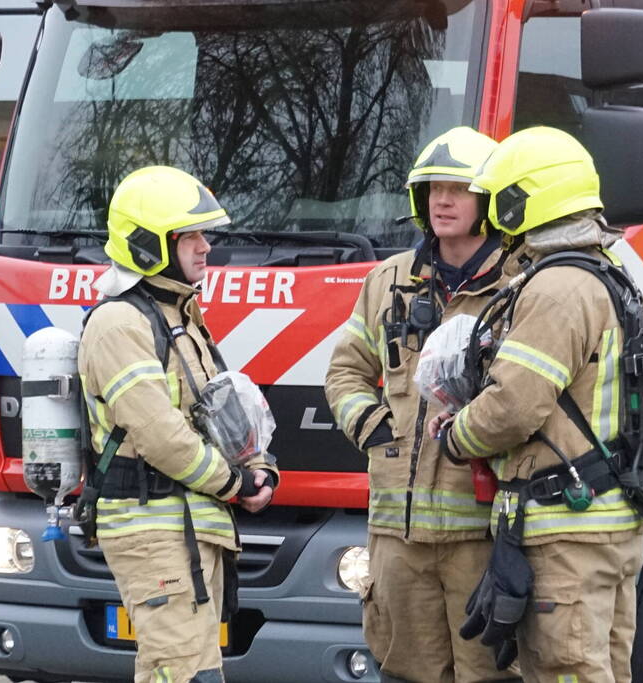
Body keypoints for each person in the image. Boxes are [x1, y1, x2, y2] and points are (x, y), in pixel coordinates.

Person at [429, 126, 643, 683]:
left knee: (565, 668)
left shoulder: (557, 289)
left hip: (566, 531)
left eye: (501, 200)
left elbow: (514, 406)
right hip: (607, 521)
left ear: (524, 199)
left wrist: (455, 436)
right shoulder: (608, 274)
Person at [325, 126, 520, 683]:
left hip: (480, 538)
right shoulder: (388, 281)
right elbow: (345, 371)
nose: (443, 199)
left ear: (489, 200)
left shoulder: (518, 284)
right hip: (396, 538)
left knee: (490, 673)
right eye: (433, 188)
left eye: (459, 188)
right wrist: (376, 430)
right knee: (401, 672)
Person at [78, 166, 278, 683]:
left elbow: (221, 411)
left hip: (191, 522)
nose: (205, 246)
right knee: (180, 672)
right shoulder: (118, 323)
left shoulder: (182, 317)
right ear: (149, 245)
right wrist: (233, 483)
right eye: (189, 235)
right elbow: (158, 433)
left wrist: (259, 466)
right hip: (154, 528)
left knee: (198, 669)